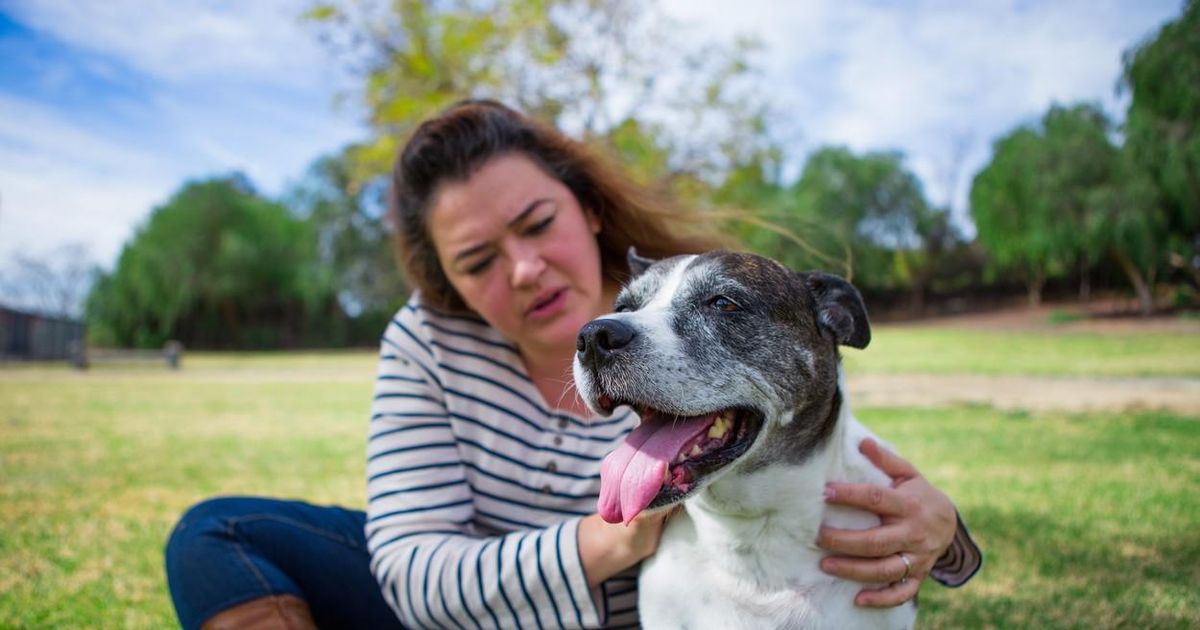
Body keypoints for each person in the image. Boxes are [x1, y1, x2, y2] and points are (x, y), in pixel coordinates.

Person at [165, 99, 980, 629]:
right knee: (216, 534)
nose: (523, 270)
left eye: (536, 223)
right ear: (444, 281)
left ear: (586, 208)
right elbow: (410, 566)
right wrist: (604, 544)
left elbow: (818, 425)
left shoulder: (689, 283)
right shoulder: (427, 343)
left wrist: (946, 538)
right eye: (477, 260)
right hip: (472, 603)